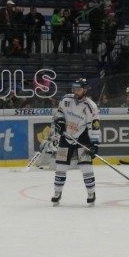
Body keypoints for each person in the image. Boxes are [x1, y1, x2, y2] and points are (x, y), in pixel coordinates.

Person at [50, 78, 101, 206]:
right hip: (66, 137)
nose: (76, 91)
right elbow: (59, 113)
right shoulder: (66, 99)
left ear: (85, 89)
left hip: (83, 138)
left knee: (86, 167)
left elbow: (94, 126)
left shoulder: (90, 106)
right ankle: (57, 192)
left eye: (79, 89)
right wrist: (60, 121)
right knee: (61, 167)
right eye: (75, 88)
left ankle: (91, 192)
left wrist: (94, 144)